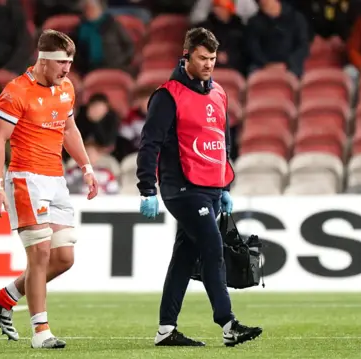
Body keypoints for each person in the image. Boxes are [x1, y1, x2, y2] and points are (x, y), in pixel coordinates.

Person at [136, 27, 262, 347]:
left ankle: (166, 329)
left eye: (213, 58)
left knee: (183, 257)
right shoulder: (167, 95)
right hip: (182, 187)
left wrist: (225, 185)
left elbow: (222, 141)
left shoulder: (219, 93)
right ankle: (227, 323)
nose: (208, 64)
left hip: (210, 186)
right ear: (187, 56)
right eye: (202, 58)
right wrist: (147, 188)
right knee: (212, 246)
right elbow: (149, 144)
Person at [0, 29, 99, 349]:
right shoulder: (15, 91)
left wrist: (87, 167)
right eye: (62, 62)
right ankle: (41, 332)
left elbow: (69, 128)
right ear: (44, 60)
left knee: (63, 257)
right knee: (40, 256)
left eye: (70, 63)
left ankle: (4, 299)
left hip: (56, 179)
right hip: (25, 179)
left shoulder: (66, 88)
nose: (67, 69)